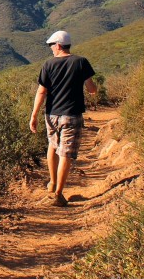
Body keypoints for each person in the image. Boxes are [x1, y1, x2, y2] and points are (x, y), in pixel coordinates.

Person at [29, 30, 97, 207]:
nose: (51, 49)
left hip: (51, 115)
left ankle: (52, 183)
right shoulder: (81, 62)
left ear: (58, 46)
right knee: (65, 153)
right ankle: (58, 193)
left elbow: (41, 91)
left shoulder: (48, 64)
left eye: (52, 46)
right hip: (72, 114)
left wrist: (34, 115)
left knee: (53, 146)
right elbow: (92, 89)